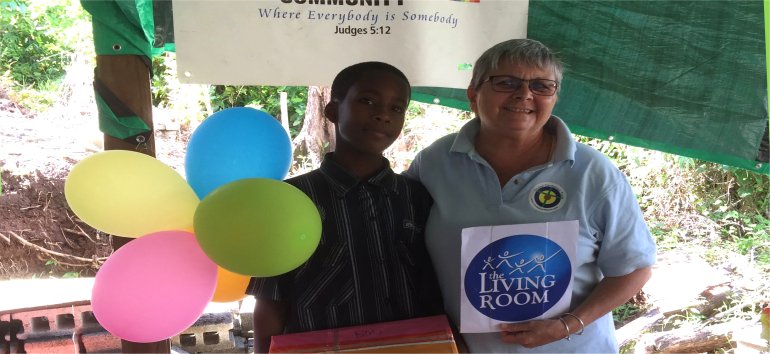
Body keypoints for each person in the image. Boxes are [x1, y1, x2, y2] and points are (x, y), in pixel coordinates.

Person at [404, 39, 656, 352]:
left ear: (554, 97)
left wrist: (567, 325)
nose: (524, 95)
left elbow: (634, 268)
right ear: (473, 92)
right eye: (505, 82)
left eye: (541, 85)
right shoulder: (435, 163)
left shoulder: (593, 173)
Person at [247, 61, 443, 353]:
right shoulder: (291, 199)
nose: (382, 115)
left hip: (412, 346)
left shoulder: (417, 197)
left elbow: (436, 287)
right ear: (333, 111)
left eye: (396, 108)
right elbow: (271, 299)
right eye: (368, 101)